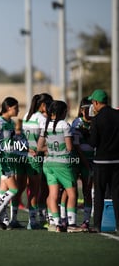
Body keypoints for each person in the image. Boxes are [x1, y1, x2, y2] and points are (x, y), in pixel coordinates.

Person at [37, 100, 83, 232]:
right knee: (72, 193)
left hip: (48, 164)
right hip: (62, 163)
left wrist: (51, 149)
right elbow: (69, 147)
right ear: (62, 112)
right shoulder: (64, 125)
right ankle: (72, 224)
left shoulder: (46, 125)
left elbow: (39, 147)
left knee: (53, 195)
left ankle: (57, 224)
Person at [16, 93, 53, 230]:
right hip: (36, 157)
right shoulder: (42, 119)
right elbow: (46, 139)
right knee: (35, 190)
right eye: (49, 104)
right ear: (43, 105)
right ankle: (33, 221)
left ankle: (14, 218)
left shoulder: (26, 116)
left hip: (23, 155)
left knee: (21, 189)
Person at [88, 89, 119, 233]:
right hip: (117, 161)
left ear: (96, 102)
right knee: (116, 194)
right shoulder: (117, 115)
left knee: (99, 194)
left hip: (101, 162)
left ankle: (97, 226)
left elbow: (93, 143)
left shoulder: (97, 119)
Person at [0, 97, 19, 230]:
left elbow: (12, 142)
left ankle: (4, 221)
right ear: (8, 108)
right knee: (14, 189)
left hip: (10, 159)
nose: (17, 110)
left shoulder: (11, 123)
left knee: (3, 192)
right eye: (15, 108)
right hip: (3, 161)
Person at [70, 97, 93, 230]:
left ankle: (86, 221)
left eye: (91, 109)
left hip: (90, 160)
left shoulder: (96, 122)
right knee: (71, 190)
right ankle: (67, 220)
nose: (89, 112)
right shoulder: (77, 123)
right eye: (86, 109)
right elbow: (77, 146)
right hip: (77, 160)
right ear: (81, 110)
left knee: (87, 191)